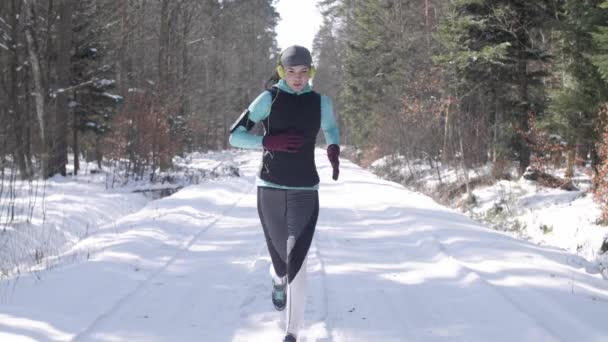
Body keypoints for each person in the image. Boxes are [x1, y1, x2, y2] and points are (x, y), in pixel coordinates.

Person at [229, 45, 340, 342]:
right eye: (291, 71)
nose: (298, 77)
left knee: (298, 262)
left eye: (304, 72)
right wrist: (269, 142)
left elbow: (330, 128)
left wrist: (333, 148)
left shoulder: (321, 102)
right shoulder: (268, 99)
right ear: (281, 71)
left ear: (311, 72)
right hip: (270, 188)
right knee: (281, 264)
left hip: (306, 188)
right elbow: (234, 135)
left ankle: (292, 333)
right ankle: (276, 279)